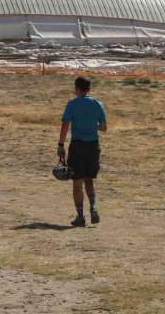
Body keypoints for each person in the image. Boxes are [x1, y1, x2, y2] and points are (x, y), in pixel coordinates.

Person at [58, 76, 107, 227]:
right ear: (89, 89)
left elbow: (65, 125)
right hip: (93, 146)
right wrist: (91, 126)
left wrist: (60, 144)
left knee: (77, 183)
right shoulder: (97, 104)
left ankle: (80, 216)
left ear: (77, 89)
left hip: (77, 146)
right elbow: (104, 127)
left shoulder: (72, 104)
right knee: (89, 180)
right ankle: (93, 207)